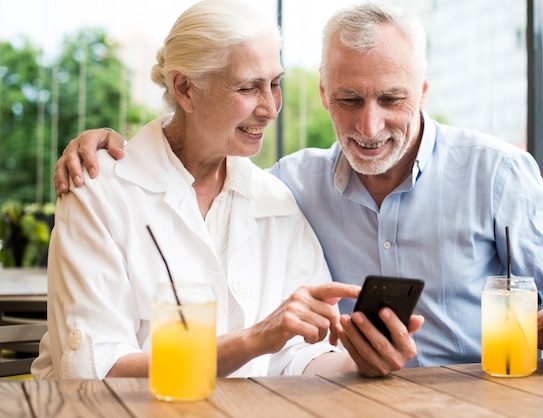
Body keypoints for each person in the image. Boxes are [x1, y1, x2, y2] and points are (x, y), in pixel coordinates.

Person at [53, 2, 543, 375]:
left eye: (391, 100)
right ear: (323, 94)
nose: (369, 128)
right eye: (349, 100)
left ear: (422, 89)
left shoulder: (493, 171)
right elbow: (91, 364)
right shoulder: (290, 185)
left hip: (486, 397)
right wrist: (105, 146)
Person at [33, 0, 427, 380]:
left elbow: (299, 357)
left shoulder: (276, 198)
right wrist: (256, 340)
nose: (271, 108)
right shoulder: (98, 190)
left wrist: (362, 361)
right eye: (248, 88)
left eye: (275, 84)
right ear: (185, 89)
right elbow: (93, 370)